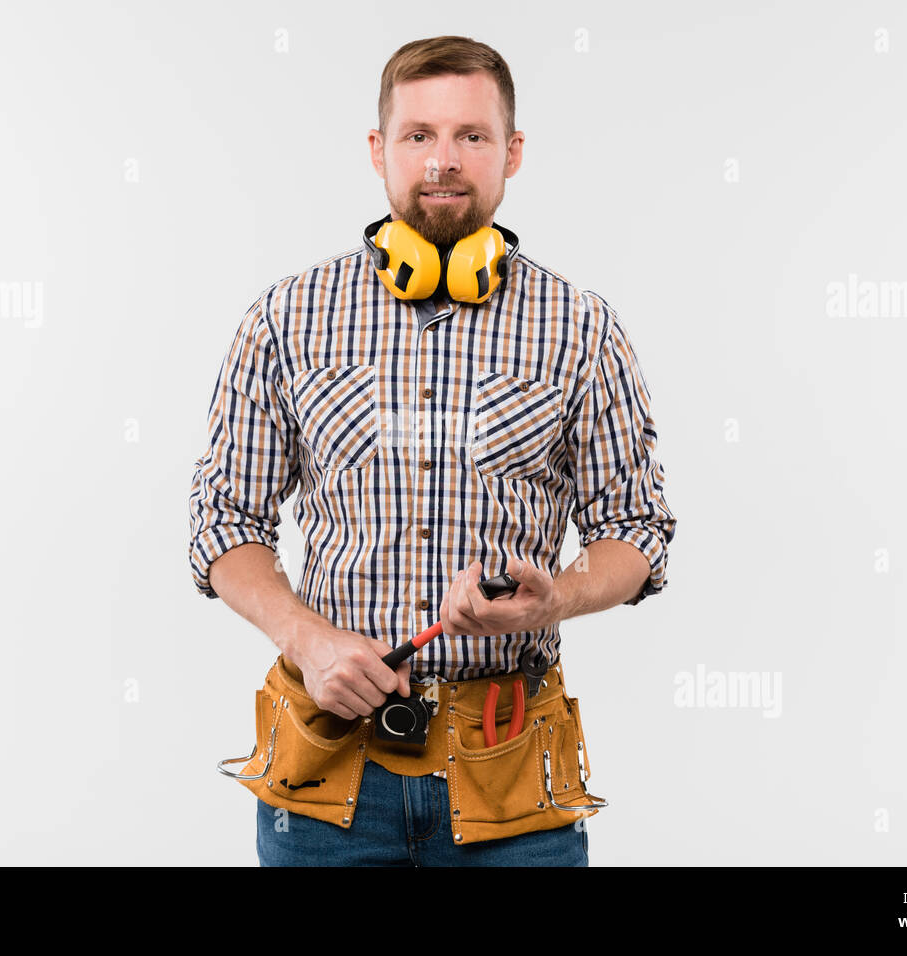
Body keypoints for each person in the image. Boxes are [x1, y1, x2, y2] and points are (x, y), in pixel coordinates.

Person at [188, 35, 676, 867]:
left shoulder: (583, 329)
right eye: (418, 135)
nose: (442, 161)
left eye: (471, 137)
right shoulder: (285, 317)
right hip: (327, 779)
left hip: (512, 783)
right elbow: (223, 521)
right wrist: (310, 641)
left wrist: (553, 598)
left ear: (512, 152)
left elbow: (639, 529)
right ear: (379, 150)